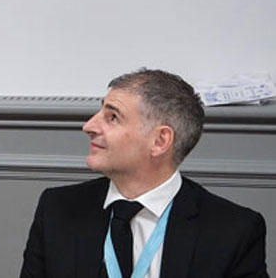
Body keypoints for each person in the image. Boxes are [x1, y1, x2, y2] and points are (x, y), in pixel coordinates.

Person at [21, 69, 268, 278]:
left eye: (113, 117)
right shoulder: (57, 210)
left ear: (160, 141)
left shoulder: (233, 232)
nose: (89, 126)